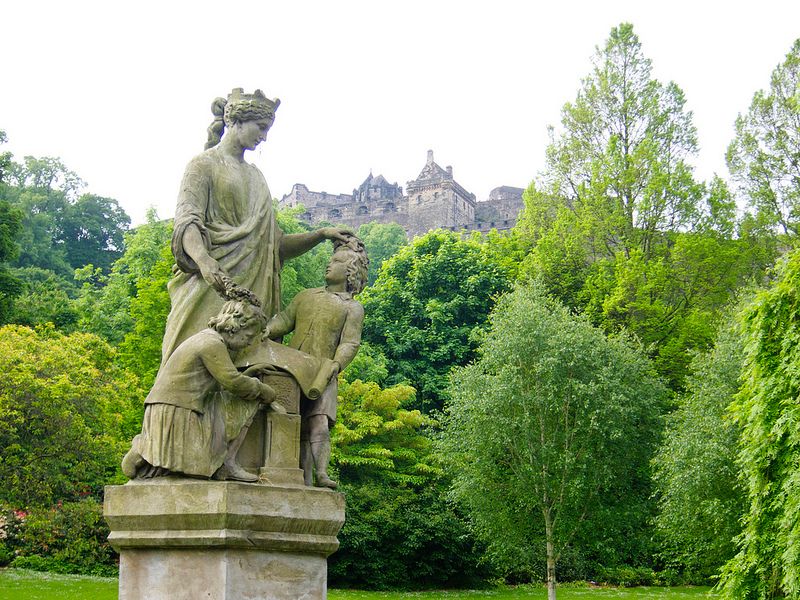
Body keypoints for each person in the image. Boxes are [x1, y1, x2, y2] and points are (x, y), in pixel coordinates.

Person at [162, 87, 348, 365]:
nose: (263, 137)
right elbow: (188, 221)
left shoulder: (257, 178)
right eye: (260, 128)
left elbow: (275, 245)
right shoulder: (202, 165)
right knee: (190, 360)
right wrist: (203, 261)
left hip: (251, 292)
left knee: (245, 369)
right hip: (210, 282)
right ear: (236, 121)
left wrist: (320, 235)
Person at [122, 298, 285, 482]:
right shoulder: (211, 344)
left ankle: (147, 449)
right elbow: (233, 382)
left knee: (196, 467)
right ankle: (145, 450)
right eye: (248, 337)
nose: (248, 344)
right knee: (249, 400)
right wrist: (264, 391)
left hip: (174, 407)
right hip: (177, 410)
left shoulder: (207, 338)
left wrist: (248, 374)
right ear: (236, 327)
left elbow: (221, 383)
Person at [265, 235, 368, 488]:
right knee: (290, 422)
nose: (328, 265)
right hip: (292, 369)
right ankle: (297, 476)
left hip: (324, 372)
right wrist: (265, 330)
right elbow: (285, 320)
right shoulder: (305, 296)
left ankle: (321, 474)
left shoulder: (352, 308)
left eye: (335, 262)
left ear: (349, 272)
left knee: (318, 424)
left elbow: (350, 343)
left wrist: (337, 364)